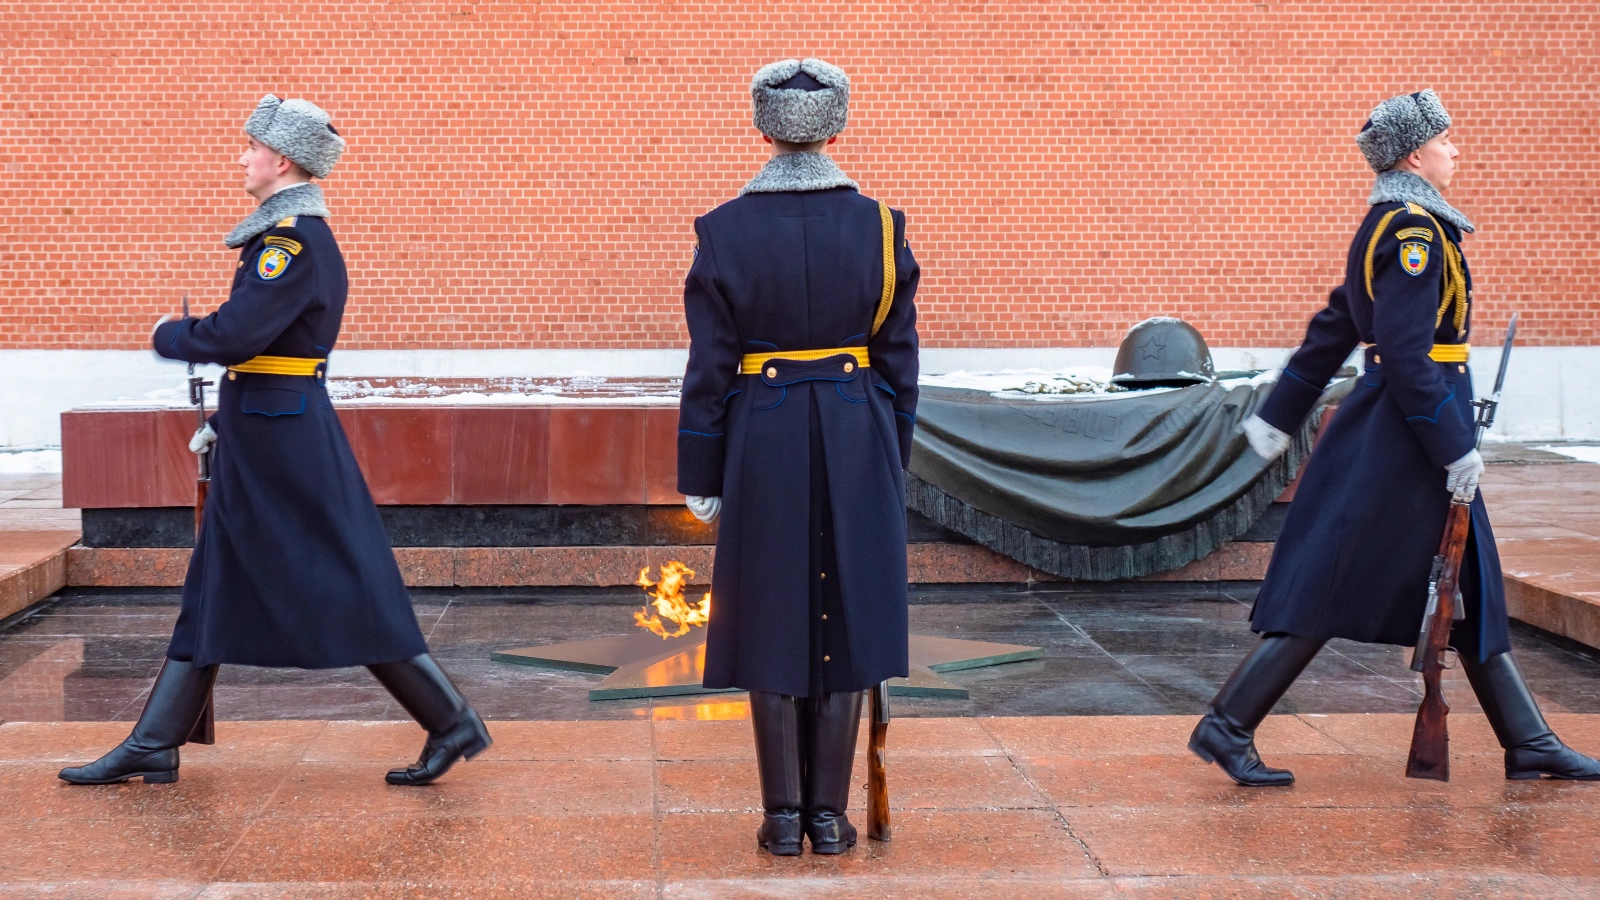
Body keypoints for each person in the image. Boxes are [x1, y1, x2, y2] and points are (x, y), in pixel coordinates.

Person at [60, 95, 491, 787]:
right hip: (266, 427)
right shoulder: (288, 237)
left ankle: (450, 720)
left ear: (280, 158)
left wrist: (170, 335)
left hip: (282, 438)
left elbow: (237, 336)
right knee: (214, 582)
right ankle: (156, 740)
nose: (242, 157)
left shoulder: (290, 242)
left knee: (346, 584)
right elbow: (258, 352)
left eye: (250, 147)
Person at [1189, 89, 1600, 786]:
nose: (1455, 149)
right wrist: (1453, 446)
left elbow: (1334, 324)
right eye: (1446, 139)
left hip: (1404, 426)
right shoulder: (1412, 233)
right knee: (1334, 578)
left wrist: (1278, 413)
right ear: (1416, 153)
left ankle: (1528, 739)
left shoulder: (1393, 223)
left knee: (1467, 579)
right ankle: (1228, 724)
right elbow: (1406, 357)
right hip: (1403, 436)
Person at [676, 58, 921, 855]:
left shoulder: (723, 230)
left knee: (771, 610)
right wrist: (895, 455)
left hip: (764, 432)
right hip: (857, 431)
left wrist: (699, 473)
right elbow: (899, 361)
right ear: (839, 127)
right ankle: (829, 814)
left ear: (761, 128)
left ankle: (783, 817)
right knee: (850, 609)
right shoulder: (882, 227)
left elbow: (709, 366)